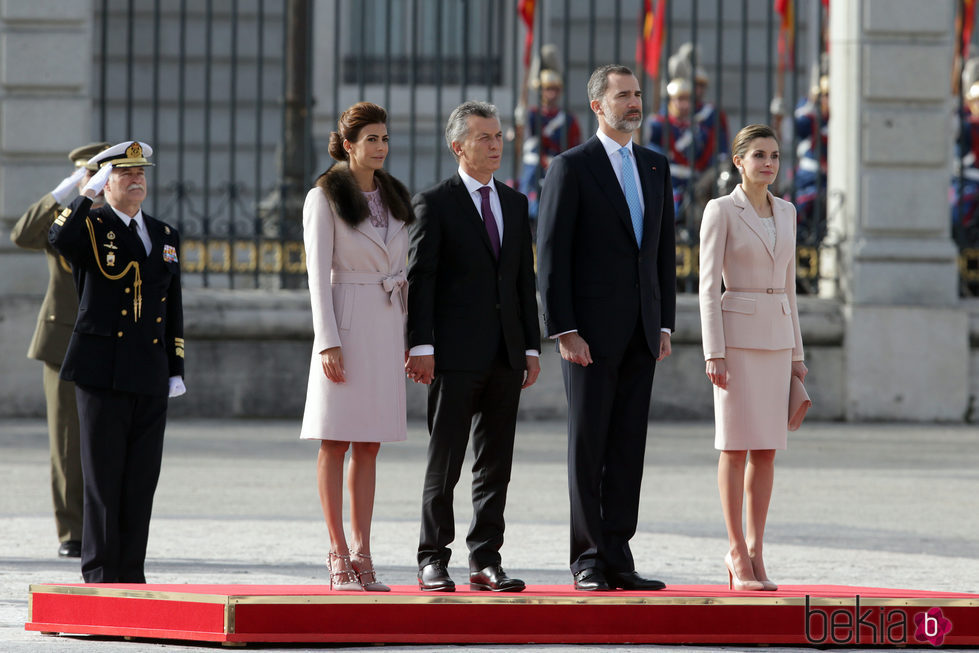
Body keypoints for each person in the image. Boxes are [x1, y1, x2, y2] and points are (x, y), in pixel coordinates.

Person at [537, 64, 676, 592]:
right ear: (598, 106)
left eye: (638, 93)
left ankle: (619, 554)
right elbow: (551, 257)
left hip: (642, 334)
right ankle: (589, 559)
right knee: (588, 448)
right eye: (623, 96)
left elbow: (662, 254)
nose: (634, 103)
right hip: (589, 338)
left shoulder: (657, 167)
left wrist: (664, 324)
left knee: (627, 450)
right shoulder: (570, 167)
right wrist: (563, 328)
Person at [406, 101, 541, 593]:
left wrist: (531, 347)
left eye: (499, 136)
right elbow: (422, 280)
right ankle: (431, 557)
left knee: (495, 465)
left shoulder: (514, 202)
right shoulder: (434, 203)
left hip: (506, 356)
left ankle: (486, 558)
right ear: (457, 145)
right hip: (453, 356)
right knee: (446, 460)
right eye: (484, 137)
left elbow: (523, 281)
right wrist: (420, 344)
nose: (495, 145)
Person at [48, 140, 185, 583]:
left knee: (141, 480)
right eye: (125, 173)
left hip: (149, 369)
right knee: (103, 480)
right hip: (101, 369)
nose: (137, 178)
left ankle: (131, 574)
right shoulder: (92, 225)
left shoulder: (163, 235)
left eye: (141, 171)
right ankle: (102, 576)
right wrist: (86, 194)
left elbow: (173, 306)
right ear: (107, 182)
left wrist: (175, 367)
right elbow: (58, 238)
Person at [299, 102, 413, 592]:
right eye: (371, 139)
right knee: (336, 439)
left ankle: (365, 555)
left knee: (370, 442)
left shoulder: (395, 196)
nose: (380, 147)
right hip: (345, 323)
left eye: (384, 138)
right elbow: (316, 277)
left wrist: (411, 339)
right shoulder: (323, 197)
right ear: (347, 145)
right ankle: (338, 554)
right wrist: (328, 342)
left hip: (387, 324)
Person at [698, 124, 807, 592]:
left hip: (778, 341)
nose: (768, 163)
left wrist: (797, 355)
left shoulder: (788, 212)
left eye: (775, 155)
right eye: (758, 155)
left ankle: (759, 552)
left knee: (766, 449)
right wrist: (714, 351)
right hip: (736, 343)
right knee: (734, 446)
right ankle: (735, 550)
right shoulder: (720, 210)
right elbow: (706, 287)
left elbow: (790, 288)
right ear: (738, 161)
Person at [11, 141, 109, 559]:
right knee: (67, 441)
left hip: (109, 340)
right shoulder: (62, 217)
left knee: (108, 438)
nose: (98, 182)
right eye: (91, 174)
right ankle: (72, 532)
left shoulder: (120, 217)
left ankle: (105, 528)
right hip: (62, 341)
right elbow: (21, 234)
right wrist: (68, 189)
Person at [517, 69, 582, 227]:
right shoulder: (532, 115)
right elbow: (524, 140)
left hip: (558, 163)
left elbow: (575, 144)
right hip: (535, 165)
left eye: (555, 89)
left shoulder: (567, 118)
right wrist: (519, 119)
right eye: (547, 89)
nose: (551, 93)